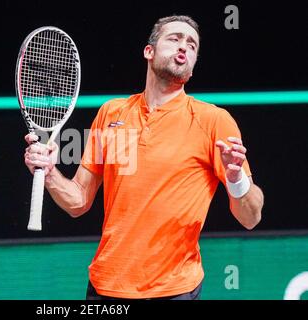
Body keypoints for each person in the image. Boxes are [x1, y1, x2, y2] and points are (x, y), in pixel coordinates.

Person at [23, 15, 264, 300]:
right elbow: (78, 202)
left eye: (192, 45)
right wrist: (50, 172)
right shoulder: (112, 114)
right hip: (106, 287)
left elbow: (251, 217)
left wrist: (236, 180)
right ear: (149, 51)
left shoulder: (213, 121)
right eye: (174, 39)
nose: (183, 47)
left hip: (173, 289)